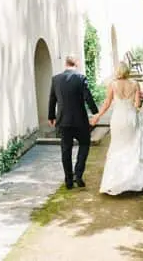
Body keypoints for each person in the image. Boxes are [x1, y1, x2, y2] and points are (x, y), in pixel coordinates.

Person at [91, 62, 143, 195]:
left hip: (117, 119)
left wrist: (98, 115)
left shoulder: (112, 84)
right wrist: (142, 99)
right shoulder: (135, 84)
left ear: (118, 71)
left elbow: (107, 103)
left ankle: (114, 181)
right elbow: (137, 105)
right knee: (132, 147)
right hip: (131, 118)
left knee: (117, 147)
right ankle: (136, 180)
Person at [48, 55, 100, 189]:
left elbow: (52, 99)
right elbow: (87, 96)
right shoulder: (80, 78)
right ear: (76, 63)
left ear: (66, 64)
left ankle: (68, 181)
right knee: (84, 144)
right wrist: (95, 113)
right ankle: (78, 174)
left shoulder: (56, 79)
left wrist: (51, 117)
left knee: (66, 150)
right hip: (80, 121)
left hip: (63, 121)